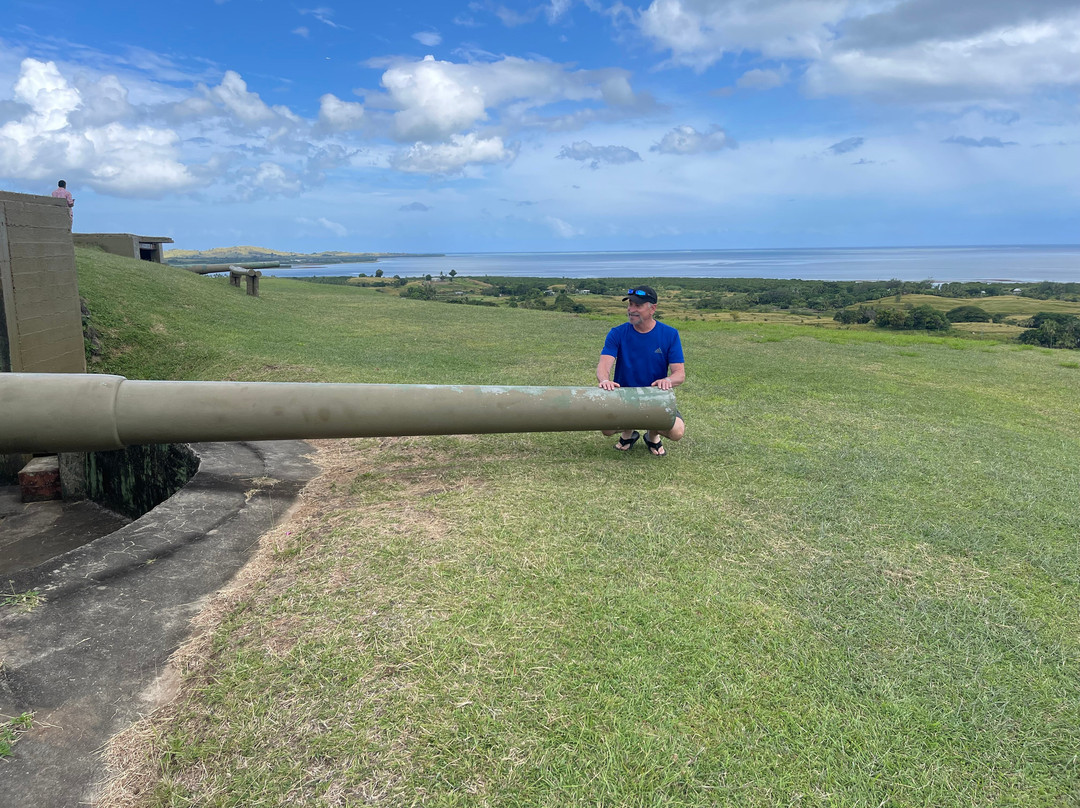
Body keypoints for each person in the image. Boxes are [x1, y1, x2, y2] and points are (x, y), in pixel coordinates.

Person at [596, 285, 686, 456]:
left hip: (655, 398)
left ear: (653, 308)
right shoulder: (617, 333)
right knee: (606, 429)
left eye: (637, 305)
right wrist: (604, 380)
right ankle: (628, 432)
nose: (631, 309)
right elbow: (603, 365)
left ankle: (652, 435)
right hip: (624, 396)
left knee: (677, 432)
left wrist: (667, 381)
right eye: (630, 304)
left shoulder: (670, 334)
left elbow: (679, 375)